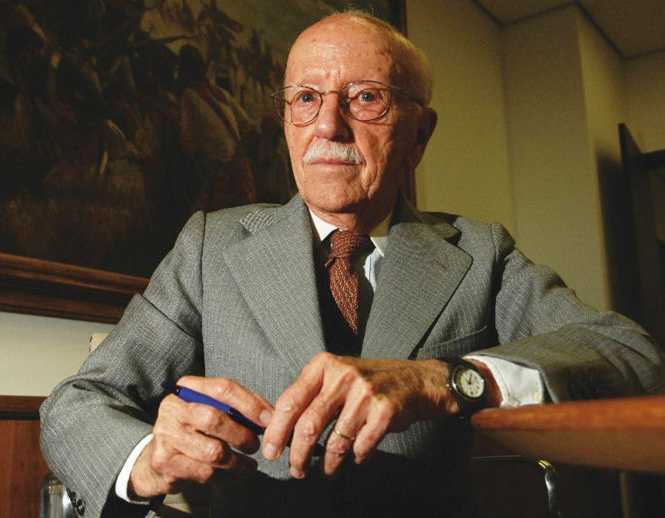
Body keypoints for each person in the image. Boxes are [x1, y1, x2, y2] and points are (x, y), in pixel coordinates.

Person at [40, 11, 665, 518]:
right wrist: (148, 459)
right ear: (287, 121)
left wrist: (444, 381)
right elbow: (77, 402)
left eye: (366, 98)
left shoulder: (480, 254)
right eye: (306, 98)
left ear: (419, 135)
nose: (328, 126)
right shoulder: (210, 247)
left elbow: (631, 355)